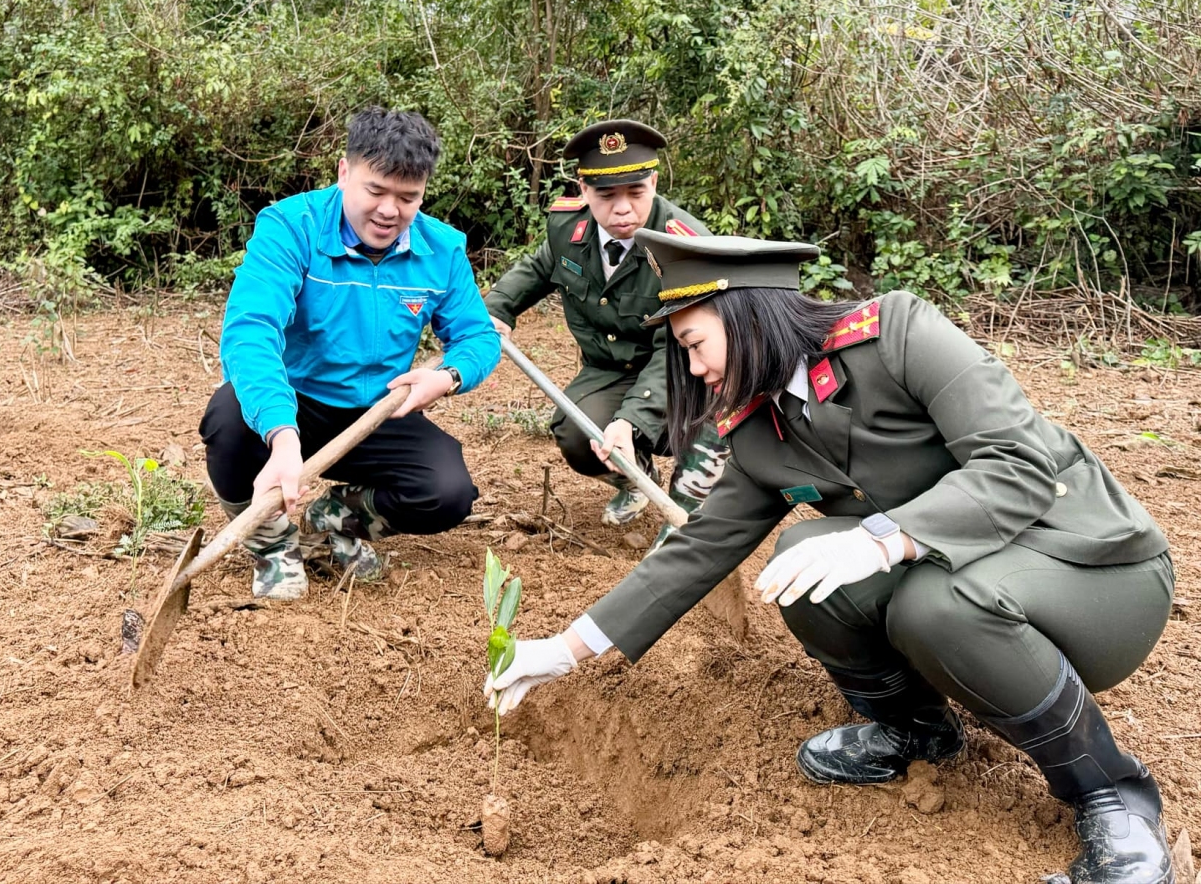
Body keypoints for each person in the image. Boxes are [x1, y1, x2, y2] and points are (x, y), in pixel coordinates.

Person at [486, 231, 1176, 884]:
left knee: (929, 601)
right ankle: (917, 730)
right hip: (978, 577)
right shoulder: (761, 429)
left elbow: (1019, 465)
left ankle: (1114, 793)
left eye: (695, 344)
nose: (694, 369)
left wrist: (883, 537)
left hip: (1092, 571)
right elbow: (694, 550)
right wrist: (565, 649)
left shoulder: (898, 334)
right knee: (800, 560)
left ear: (747, 313)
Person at [202, 107, 501, 600]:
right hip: (296, 403)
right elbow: (250, 331)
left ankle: (333, 518)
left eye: (408, 198)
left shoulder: (442, 250)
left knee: (447, 492)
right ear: (345, 172)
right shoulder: (289, 228)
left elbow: (477, 336)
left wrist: (447, 376)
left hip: (378, 409)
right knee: (229, 421)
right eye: (376, 191)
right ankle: (273, 543)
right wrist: (280, 434)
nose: (389, 211)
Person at [483, 120, 727, 532]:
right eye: (606, 195)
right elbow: (538, 269)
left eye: (636, 192)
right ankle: (637, 479)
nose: (623, 209)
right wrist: (496, 309)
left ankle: (688, 515)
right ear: (583, 189)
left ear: (654, 181)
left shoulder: (684, 245)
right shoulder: (567, 228)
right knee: (579, 434)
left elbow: (675, 349)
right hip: (612, 367)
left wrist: (629, 421)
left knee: (703, 433)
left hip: (683, 374)